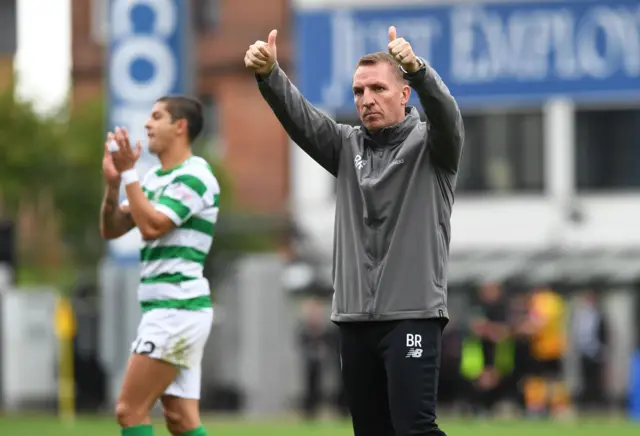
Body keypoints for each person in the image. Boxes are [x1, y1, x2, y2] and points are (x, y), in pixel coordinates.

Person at [245, 25, 464, 436]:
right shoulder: (346, 146)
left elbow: (447, 116)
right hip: (353, 320)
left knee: (415, 428)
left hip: (411, 316)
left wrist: (418, 69)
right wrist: (270, 74)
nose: (366, 100)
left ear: (404, 94)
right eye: (358, 92)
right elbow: (302, 119)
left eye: (378, 89)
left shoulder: (434, 147)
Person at [100, 96, 220, 436]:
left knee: (129, 411)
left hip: (176, 310)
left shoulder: (196, 176)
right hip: (171, 310)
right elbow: (111, 229)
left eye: (156, 117)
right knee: (181, 420)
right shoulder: (154, 179)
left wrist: (127, 172)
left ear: (180, 126)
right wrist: (112, 186)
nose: (147, 124)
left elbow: (153, 225)